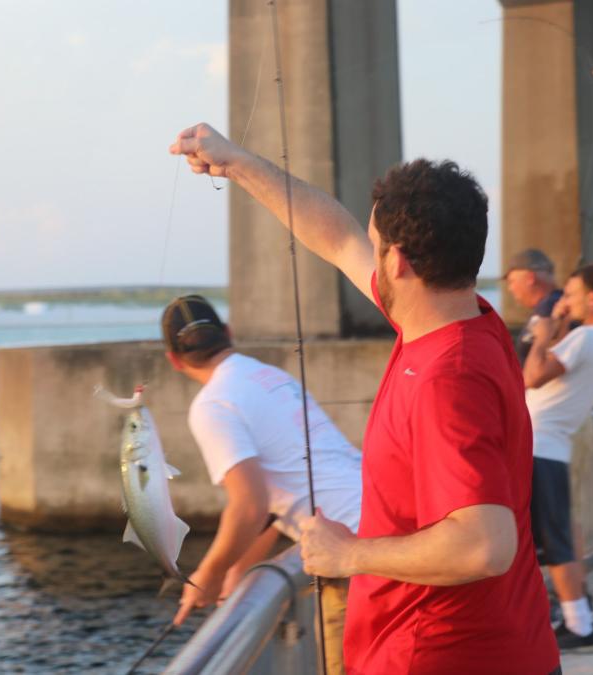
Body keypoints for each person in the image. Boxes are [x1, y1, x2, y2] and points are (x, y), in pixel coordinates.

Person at [169, 123, 559, 674]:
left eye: (378, 248)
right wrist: (236, 163)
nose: (368, 254)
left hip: (442, 657)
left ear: (398, 261)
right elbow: (337, 239)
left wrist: (347, 553)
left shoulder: (447, 377)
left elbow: (483, 545)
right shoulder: (470, 322)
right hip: (501, 647)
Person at [162, 294, 363, 674]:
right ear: (228, 334)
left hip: (352, 553)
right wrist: (238, 572)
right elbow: (274, 497)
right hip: (384, 529)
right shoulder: (270, 377)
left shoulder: (212, 404)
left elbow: (249, 505)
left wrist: (209, 574)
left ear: (173, 359)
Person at [523, 263, 593, 650]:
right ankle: (574, 617)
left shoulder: (587, 339)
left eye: (572, 293)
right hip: (551, 446)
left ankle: (580, 623)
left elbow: (532, 375)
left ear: (592, 297)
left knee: (551, 541)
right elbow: (558, 367)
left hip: (539, 445)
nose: (565, 300)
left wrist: (542, 334)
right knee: (549, 537)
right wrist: (560, 326)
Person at [503, 248, 563, 364]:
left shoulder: (548, 308)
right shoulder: (554, 302)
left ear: (530, 278)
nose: (510, 289)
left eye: (511, 281)